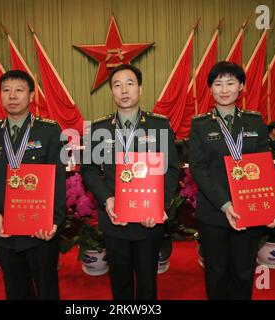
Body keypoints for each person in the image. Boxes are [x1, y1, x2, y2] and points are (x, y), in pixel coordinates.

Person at [80, 64, 180, 300]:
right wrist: (107, 198)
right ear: (111, 92)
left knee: (147, 281)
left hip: (148, 218)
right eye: (117, 85)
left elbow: (172, 169)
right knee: (119, 281)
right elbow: (89, 169)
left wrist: (159, 205)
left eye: (130, 83)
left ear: (140, 89)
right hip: (115, 216)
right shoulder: (99, 128)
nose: (124, 90)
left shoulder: (159, 125)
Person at [188, 61, 275, 300]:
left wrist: (271, 207)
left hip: (249, 209)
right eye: (218, 83)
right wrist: (225, 203)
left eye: (231, 82)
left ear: (241, 86)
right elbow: (198, 168)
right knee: (216, 271)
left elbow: (265, 166)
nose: (224, 89)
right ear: (210, 89)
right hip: (215, 211)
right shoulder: (200, 125)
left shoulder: (254, 121)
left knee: (243, 271)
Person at [0, 70, 66, 300]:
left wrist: (54, 220)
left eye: (19, 90)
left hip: (40, 228)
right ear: (0, 95)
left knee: (46, 286)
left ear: (32, 95)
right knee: (15, 288)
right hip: (4, 226)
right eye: (6, 90)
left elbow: (59, 178)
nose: (12, 96)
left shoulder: (50, 131)